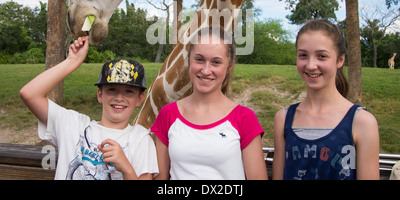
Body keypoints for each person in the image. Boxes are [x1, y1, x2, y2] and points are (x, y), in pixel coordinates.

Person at [20, 36, 158, 180]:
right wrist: (71, 61)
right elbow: (29, 94)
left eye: (129, 92)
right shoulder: (73, 125)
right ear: (100, 95)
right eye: (112, 89)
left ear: (139, 99)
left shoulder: (140, 138)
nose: (119, 97)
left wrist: (127, 169)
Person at [151, 26, 268, 180]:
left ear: (229, 66)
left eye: (216, 62)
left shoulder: (244, 118)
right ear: (189, 60)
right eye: (199, 59)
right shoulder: (168, 114)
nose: (206, 70)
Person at [273, 20, 380, 180]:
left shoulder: (362, 122)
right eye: (303, 55)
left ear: (340, 60)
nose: (310, 65)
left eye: (321, 56)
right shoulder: (283, 118)